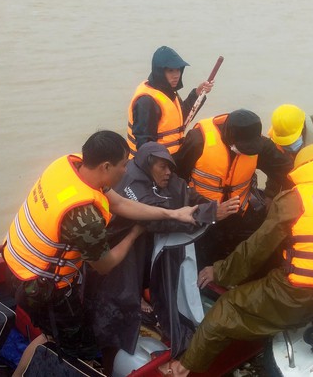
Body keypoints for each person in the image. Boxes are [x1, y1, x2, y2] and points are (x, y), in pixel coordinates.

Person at [163, 143, 313, 376]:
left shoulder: (295, 199)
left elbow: (256, 249)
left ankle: (183, 367)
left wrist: (219, 272)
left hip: (298, 298)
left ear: (304, 169)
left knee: (227, 308)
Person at [2, 130, 198, 377]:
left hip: (15, 263)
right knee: (81, 350)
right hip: (41, 288)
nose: (126, 171)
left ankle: (19, 373)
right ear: (106, 166)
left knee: (51, 334)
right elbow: (105, 264)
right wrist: (134, 234)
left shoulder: (69, 165)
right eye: (124, 165)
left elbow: (120, 204)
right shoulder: (84, 216)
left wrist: (173, 213)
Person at [83, 141, 239, 375]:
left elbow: (185, 193)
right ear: (148, 164)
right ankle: (106, 351)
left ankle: (140, 301)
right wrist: (209, 214)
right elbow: (155, 217)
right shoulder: (133, 181)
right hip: (116, 250)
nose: (168, 173)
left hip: (142, 247)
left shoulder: (166, 178)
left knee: (141, 280)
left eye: (170, 168)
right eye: (162, 167)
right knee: (115, 299)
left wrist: (211, 208)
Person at [173, 108, 294, 267]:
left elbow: (286, 170)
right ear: (230, 137)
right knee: (200, 261)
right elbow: (175, 180)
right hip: (202, 216)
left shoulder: (259, 145)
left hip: (239, 214)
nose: (247, 152)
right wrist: (210, 211)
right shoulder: (198, 141)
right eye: (244, 148)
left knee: (256, 251)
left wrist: (272, 196)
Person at [127, 45, 214, 158]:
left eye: (178, 70)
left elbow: (181, 118)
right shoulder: (146, 102)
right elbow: (144, 145)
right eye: (170, 71)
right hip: (154, 163)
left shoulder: (168, 91)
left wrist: (197, 94)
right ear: (159, 72)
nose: (176, 75)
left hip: (169, 158)